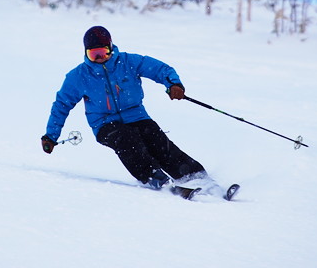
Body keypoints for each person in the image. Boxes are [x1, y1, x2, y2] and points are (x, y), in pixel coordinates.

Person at [41, 25, 213, 191]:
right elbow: (62, 105)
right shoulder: (79, 76)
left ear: (111, 47)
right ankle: (154, 177)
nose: (100, 58)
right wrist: (51, 135)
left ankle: (197, 178)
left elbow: (160, 69)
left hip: (137, 116)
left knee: (158, 142)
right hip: (104, 124)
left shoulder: (129, 62)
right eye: (94, 54)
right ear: (86, 53)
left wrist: (173, 84)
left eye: (103, 52)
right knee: (127, 139)